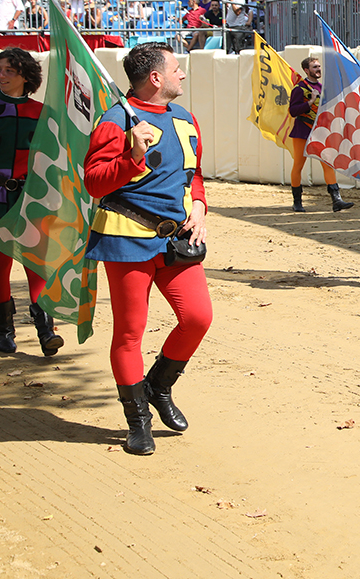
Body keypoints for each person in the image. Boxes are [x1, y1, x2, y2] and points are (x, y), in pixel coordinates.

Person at [85, 43, 213, 456]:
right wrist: (133, 155)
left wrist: (198, 206)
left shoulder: (186, 119)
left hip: (177, 240)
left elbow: (192, 176)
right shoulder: (114, 121)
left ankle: (159, 386)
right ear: (156, 77)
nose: (183, 75)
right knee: (129, 332)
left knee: (197, 318)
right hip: (126, 238)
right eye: (176, 69)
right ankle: (137, 420)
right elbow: (94, 183)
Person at [0, 48, 62, 356]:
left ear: (25, 76)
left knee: (36, 262)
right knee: (2, 263)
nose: (2, 76)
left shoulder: (42, 112)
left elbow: (55, 159)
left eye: (9, 71)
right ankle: (4, 332)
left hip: (32, 197)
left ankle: (45, 330)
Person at [286, 57, 354, 213]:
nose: (318, 69)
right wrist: (311, 101)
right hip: (302, 131)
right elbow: (293, 111)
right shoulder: (299, 88)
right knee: (298, 165)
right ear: (306, 70)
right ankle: (297, 202)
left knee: (328, 164)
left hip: (320, 131)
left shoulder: (323, 87)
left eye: (318, 66)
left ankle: (336, 200)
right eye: (314, 67)